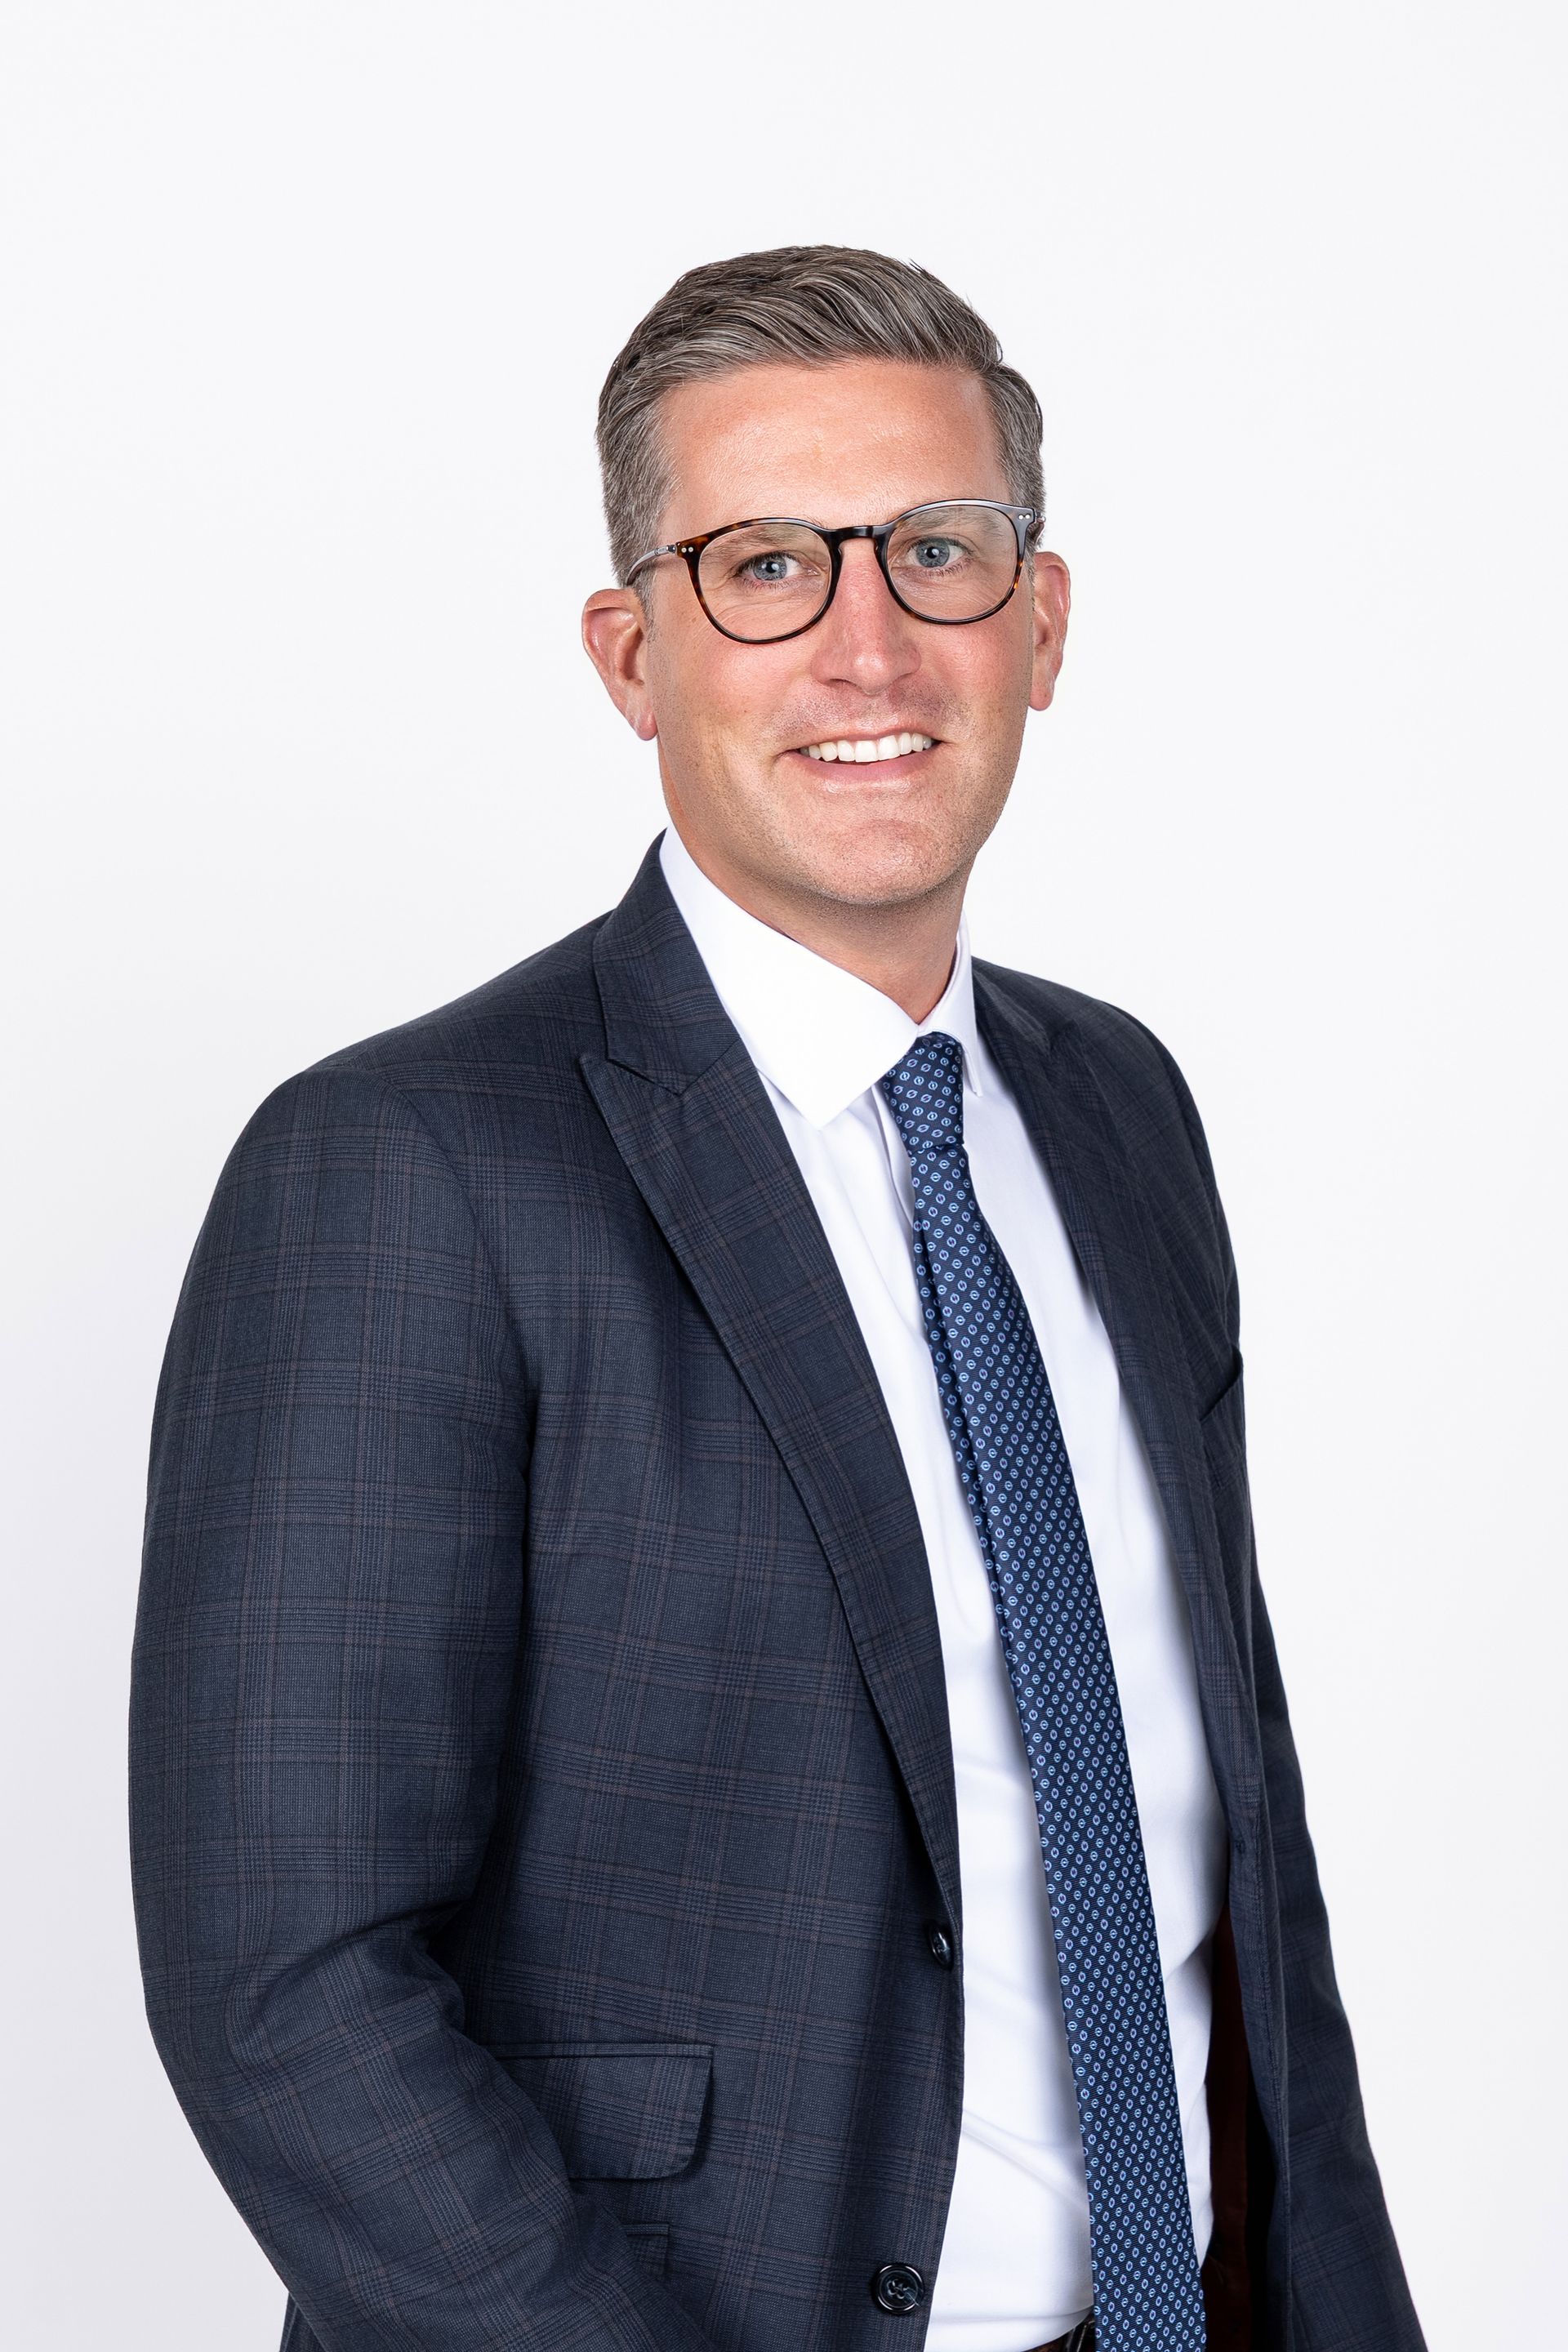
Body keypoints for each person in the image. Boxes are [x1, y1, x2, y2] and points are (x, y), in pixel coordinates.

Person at [129, 245, 1427, 2352]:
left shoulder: (1119, 1108)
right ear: (631, 655)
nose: (868, 646)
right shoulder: (403, 1169)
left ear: (1042, 623)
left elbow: (1228, 1856)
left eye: (939, 553)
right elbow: (286, 1987)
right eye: (763, 569)